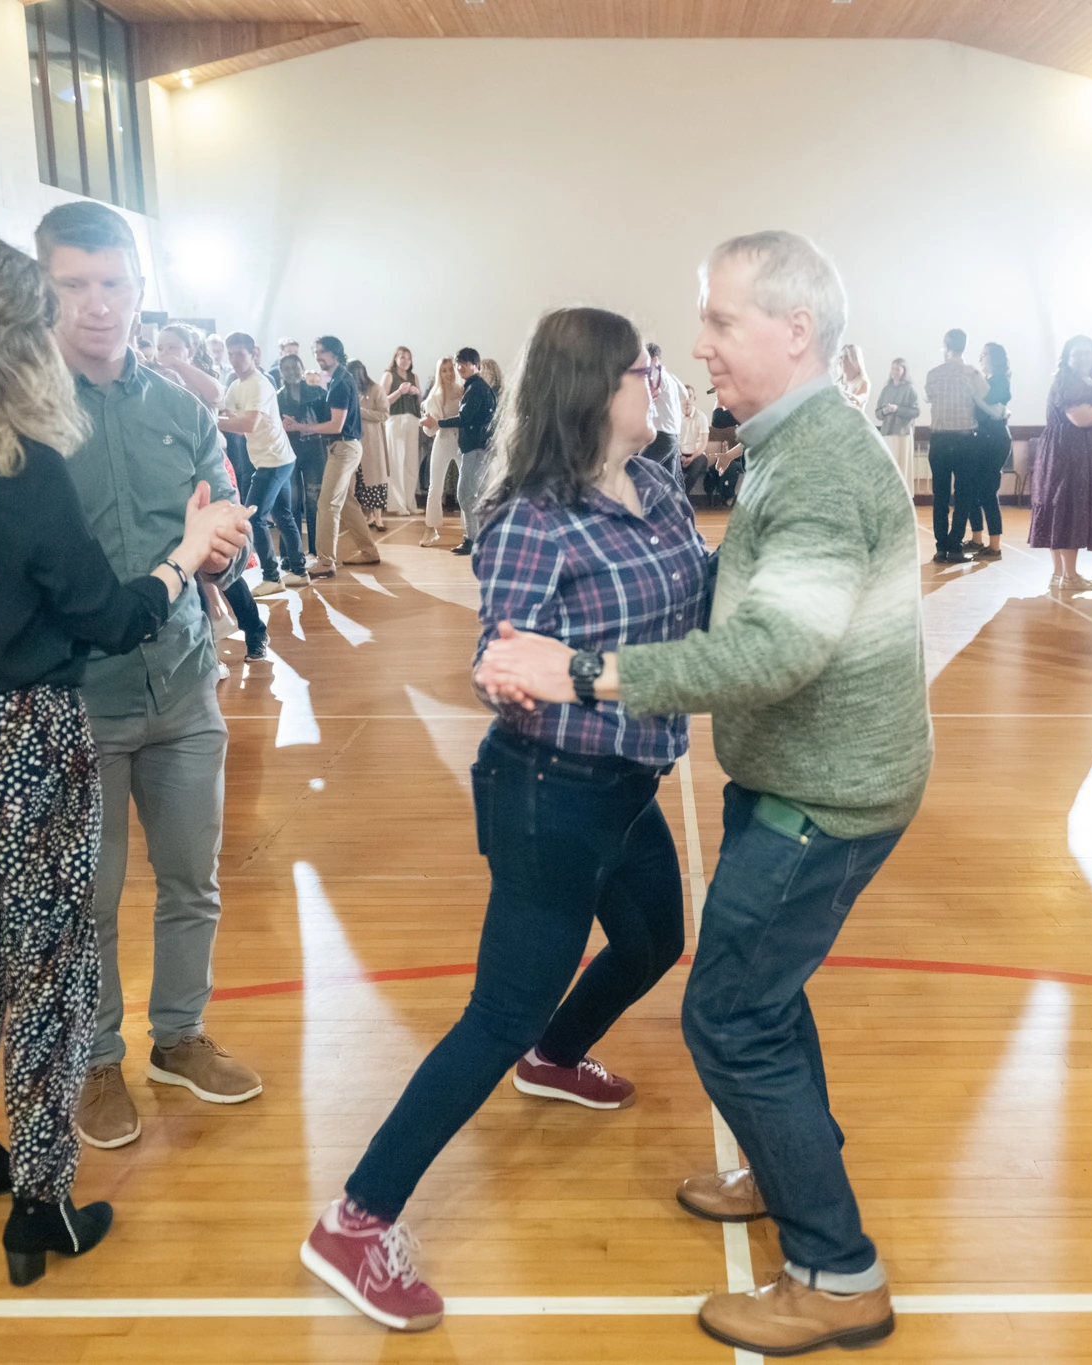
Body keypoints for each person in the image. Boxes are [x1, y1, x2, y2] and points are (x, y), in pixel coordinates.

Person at [479, 230, 928, 1357]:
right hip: (808, 776)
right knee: (764, 996)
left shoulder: (819, 463)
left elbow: (772, 650)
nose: (696, 347)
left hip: (822, 795)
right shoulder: (789, 440)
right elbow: (743, 600)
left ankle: (836, 1271)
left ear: (795, 332)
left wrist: (582, 669)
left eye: (721, 323)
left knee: (727, 1017)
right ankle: (790, 1181)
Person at [0, 231, 248, 1285]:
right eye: (59, 296)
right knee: (54, 965)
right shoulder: (20, 464)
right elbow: (108, 615)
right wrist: (178, 563)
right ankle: (40, 1201)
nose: (84, 310)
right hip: (23, 734)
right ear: (15, 328)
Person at [302, 306, 703, 1334]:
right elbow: (504, 660)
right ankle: (354, 1220)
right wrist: (511, 675)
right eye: (637, 374)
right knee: (500, 1007)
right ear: (590, 392)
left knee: (656, 939)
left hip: (628, 778)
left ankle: (556, 1058)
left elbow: (694, 609)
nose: (652, 386)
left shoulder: (654, 484)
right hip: (547, 794)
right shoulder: (532, 516)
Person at [157, 323, 267, 664]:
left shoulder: (200, 376)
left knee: (218, 560)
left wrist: (178, 364)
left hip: (205, 469)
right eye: (162, 347)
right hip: (168, 470)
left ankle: (255, 630)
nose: (166, 353)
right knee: (183, 562)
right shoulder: (147, 381)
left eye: (174, 347)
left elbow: (216, 395)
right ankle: (205, 649)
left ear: (190, 350)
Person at [1031, 336, 1092, 590]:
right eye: (1077, 353)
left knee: (1060, 507)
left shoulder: (1078, 381)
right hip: (1068, 456)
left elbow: (1091, 424)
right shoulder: (1070, 382)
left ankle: (1062, 573)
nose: (1083, 357)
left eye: (1088, 353)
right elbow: (1082, 419)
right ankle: (1068, 576)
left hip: (1069, 450)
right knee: (1067, 508)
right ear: (1067, 357)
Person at [221, 333, 305, 600]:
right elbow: (229, 415)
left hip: (275, 460)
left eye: (240, 354)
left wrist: (211, 420)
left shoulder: (259, 383)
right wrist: (221, 417)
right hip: (272, 459)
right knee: (282, 515)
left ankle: (272, 577)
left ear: (253, 353)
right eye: (231, 354)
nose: (234, 359)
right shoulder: (236, 386)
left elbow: (248, 424)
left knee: (254, 517)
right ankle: (300, 572)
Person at [290, 335, 379, 577]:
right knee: (347, 502)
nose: (318, 357)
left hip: (343, 448)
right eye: (316, 353)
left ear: (335, 353)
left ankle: (326, 563)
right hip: (346, 448)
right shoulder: (338, 379)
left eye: (322, 352)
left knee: (326, 504)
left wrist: (302, 426)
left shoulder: (340, 382)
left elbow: (335, 426)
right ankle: (369, 551)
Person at [923, 329, 991, 564]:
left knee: (940, 496)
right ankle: (955, 548)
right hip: (965, 440)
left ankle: (941, 548)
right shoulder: (972, 373)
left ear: (945, 345)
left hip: (940, 440)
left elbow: (929, 397)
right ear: (965, 346)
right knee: (963, 495)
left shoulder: (933, 374)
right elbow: (984, 394)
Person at [425, 347, 497, 556]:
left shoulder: (475, 388)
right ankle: (480, 538)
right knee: (475, 494)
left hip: (475, 448)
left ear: (476, 365)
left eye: (465, 363)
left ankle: (473, 539)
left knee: (465, 494)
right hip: (477, 447)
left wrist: (437, 422)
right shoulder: (476, 387)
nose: (460, 367)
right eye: (459, 363)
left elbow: (464, 419)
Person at [277, 354, 330, 563]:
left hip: (314, 451)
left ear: (302, 368)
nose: (291, 371)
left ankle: (318, 551)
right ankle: (292, 552)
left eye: (295, 367)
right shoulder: (278, 397)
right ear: (281, 372)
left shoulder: (317, 392)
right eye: (287, 368)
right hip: (289, 452)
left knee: (314, 500)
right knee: (292, 502)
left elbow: (327, 421)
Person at [965, 342, 1013, 559]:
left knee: (987, 493)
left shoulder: (1000, 380)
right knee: (973, 491)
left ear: (994, 357)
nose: (981, 357)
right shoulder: (987, 381)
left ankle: (994, 546)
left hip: (995, 440)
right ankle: (976, 539)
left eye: (985, 354)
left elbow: (990, 403)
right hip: (981, 439)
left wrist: (974, 388)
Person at [420, 355, 463, 548]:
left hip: (462, 443)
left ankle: (471, 529)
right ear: (440, 373)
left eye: (450, 369)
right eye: (444, 370)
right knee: (435, 486)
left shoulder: (464, 390)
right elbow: (431, 428)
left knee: (467, 488)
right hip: (443, 441)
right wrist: (428, 424)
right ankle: (431, 528)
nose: (448, 373)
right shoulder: (435, 397)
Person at [351, 359, 392, 532]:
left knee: (375, 480)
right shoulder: (351, 390)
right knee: (360, 481)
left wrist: (360, 412)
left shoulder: (376, 389)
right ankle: (367, 517)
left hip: (373, 441)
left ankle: (379, 518)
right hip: (355, 440)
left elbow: (384, 414)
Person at [382, 346, 422, 515]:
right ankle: (397, 505)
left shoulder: (414, 376)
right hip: (395, 419)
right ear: (396, 359)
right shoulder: (389, 375)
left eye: (408, 358)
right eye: (402, 357)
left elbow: (420, 398)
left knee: (411, 463)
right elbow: (383, 401)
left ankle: (410, 502)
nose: (405, 361)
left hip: (412, 420)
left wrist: (415, 391)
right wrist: (400, 391)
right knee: (396, 462)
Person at [642, 341, 684, 473]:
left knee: (635, 473)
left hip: (662, 437)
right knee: (668, 485)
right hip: (672, 437)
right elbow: (685, 394)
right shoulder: (670, 378)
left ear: (653, 359)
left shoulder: (655, 374)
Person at [874, 357, 919, 481]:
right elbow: (878, 413)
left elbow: (916, 411)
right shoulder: (886, 389)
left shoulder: (910, 389)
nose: (894, 372)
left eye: (897, 369)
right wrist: (885, 410)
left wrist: (897, 409)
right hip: (887, 432)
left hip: (902, 433)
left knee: (902, 467)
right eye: (893, 368)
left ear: (904, 371)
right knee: (888, 468)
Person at [836, 342, 871, 415]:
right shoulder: (837, 383)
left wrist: (845, 396)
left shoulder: (863, 382)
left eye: (847, 358)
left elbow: (860, 399)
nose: (842, 361)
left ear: (856, 360)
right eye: (841, 357)